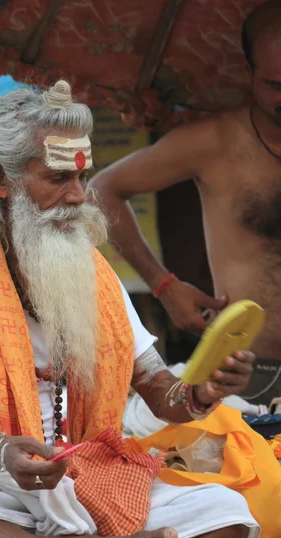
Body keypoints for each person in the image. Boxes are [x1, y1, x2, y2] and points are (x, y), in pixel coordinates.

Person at [0, 80, 259, 538]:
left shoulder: (90, 271)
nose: (78, 197)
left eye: (83, 177)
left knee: (229, 517)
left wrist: (203, 390)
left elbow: (159, 393)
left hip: (79, 479)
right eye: (58, 177)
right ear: (0, 178)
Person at [90, 0, 281, 407]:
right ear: (248, 73)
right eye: (276, 86)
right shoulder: (215, 142)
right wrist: (164, 286)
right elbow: (102, 189)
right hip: (242, 375)